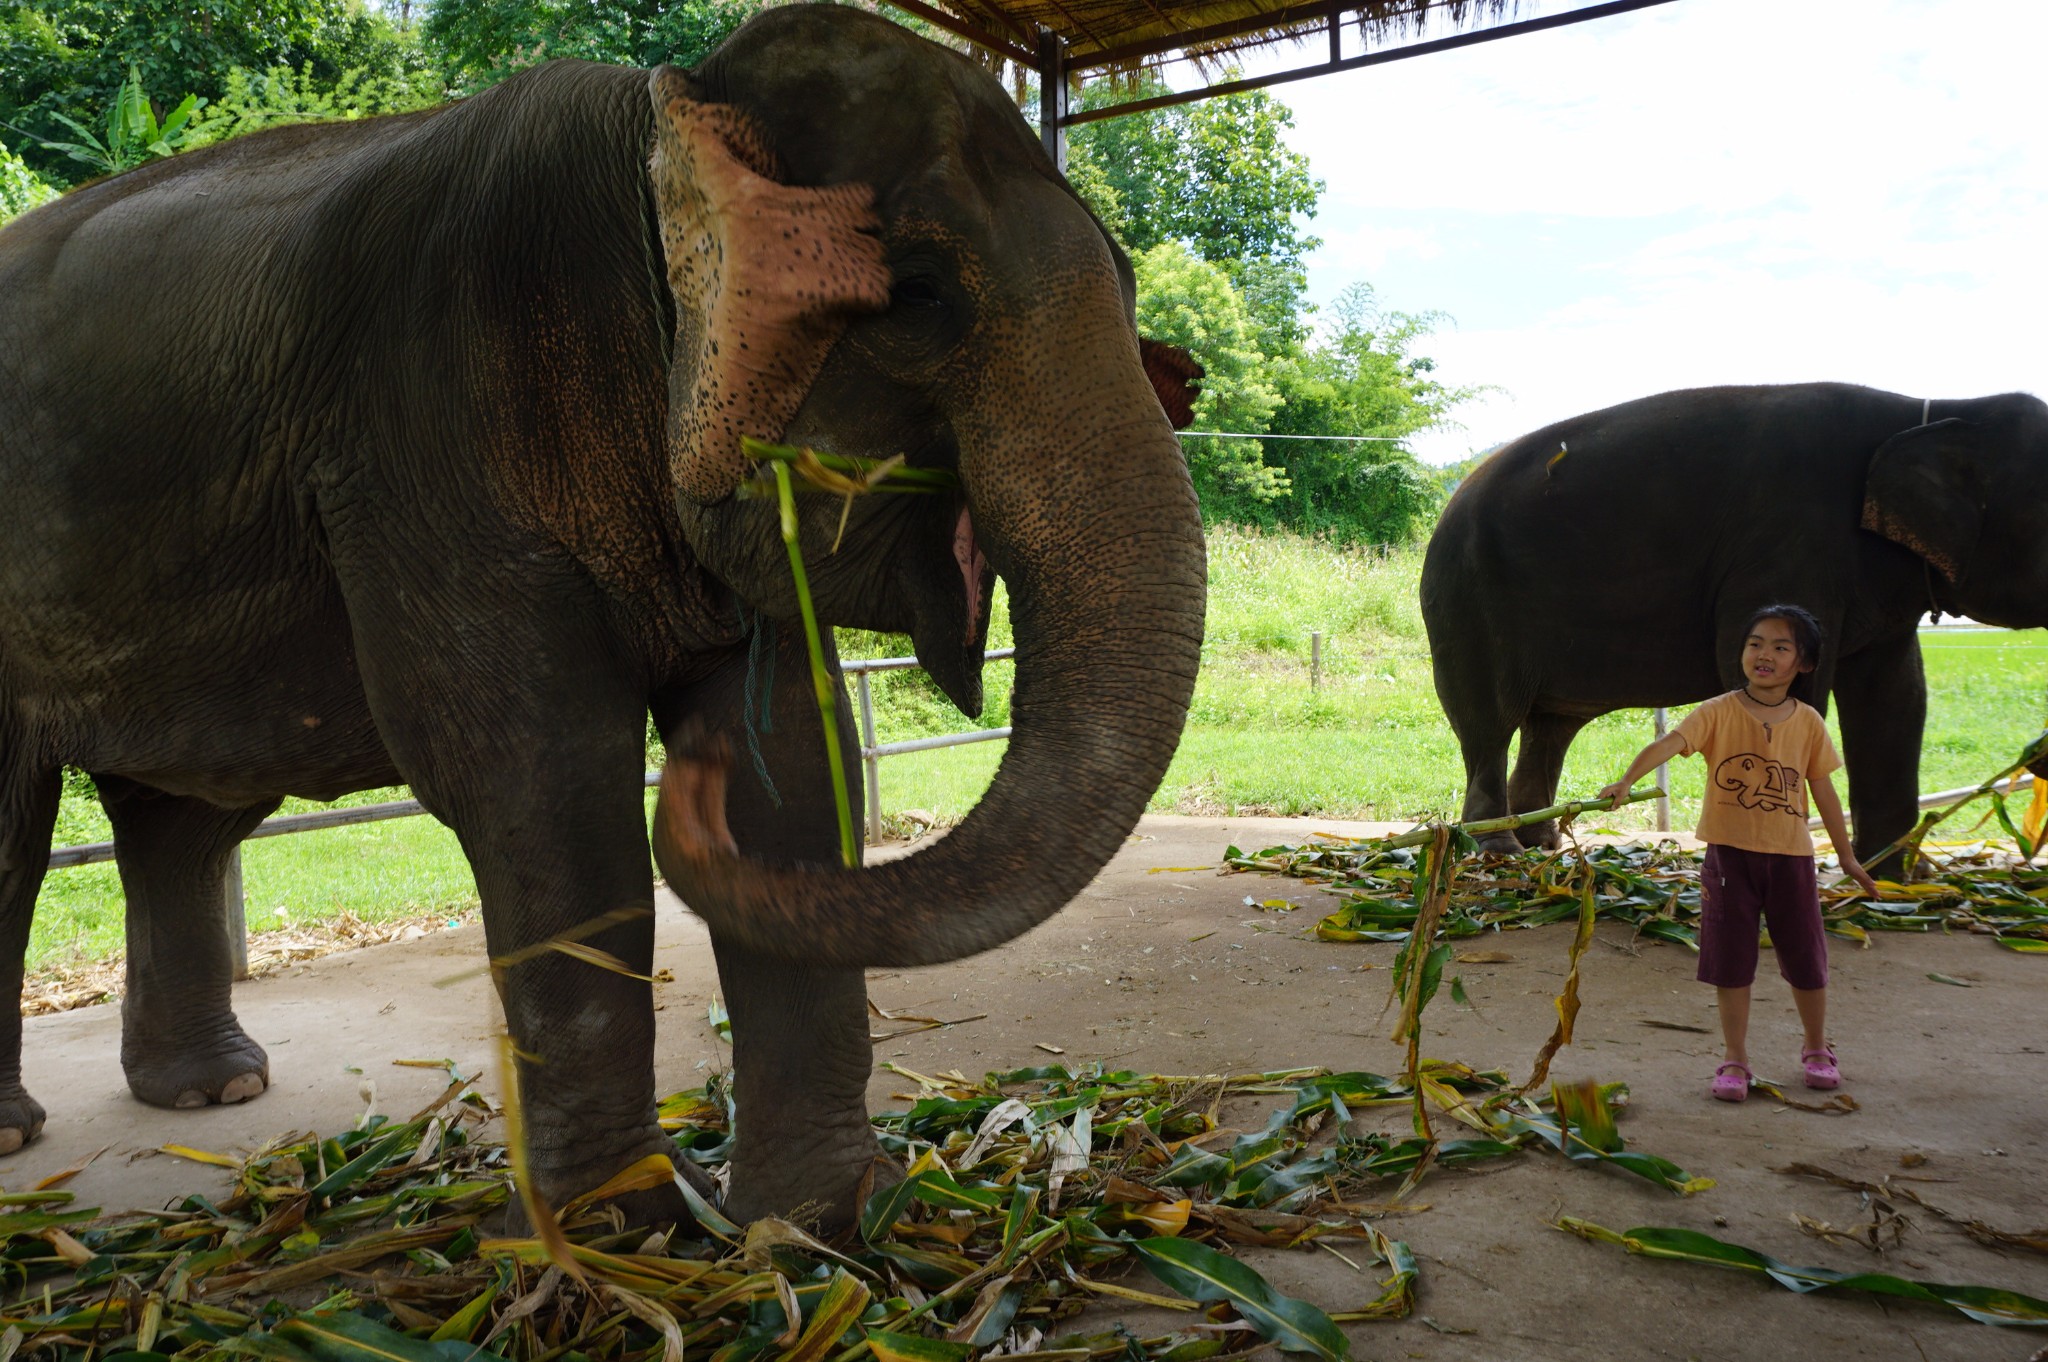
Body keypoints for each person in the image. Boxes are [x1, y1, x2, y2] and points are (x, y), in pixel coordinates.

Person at [1599, 605, 1880, 1103]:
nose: (1763, 654)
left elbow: (1825, 794)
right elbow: (1669, 743)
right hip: (1728, 861)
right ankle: (1735, 1058)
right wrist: (1626, 781)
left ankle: (1816, 1047)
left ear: (1805, 664)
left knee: (1807, 959)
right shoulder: (1717, 712)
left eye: (1780, 646)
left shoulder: (1809, 722)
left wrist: (1848, 857)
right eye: (1755, 643)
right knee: (1731, 961)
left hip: (1792, 859)